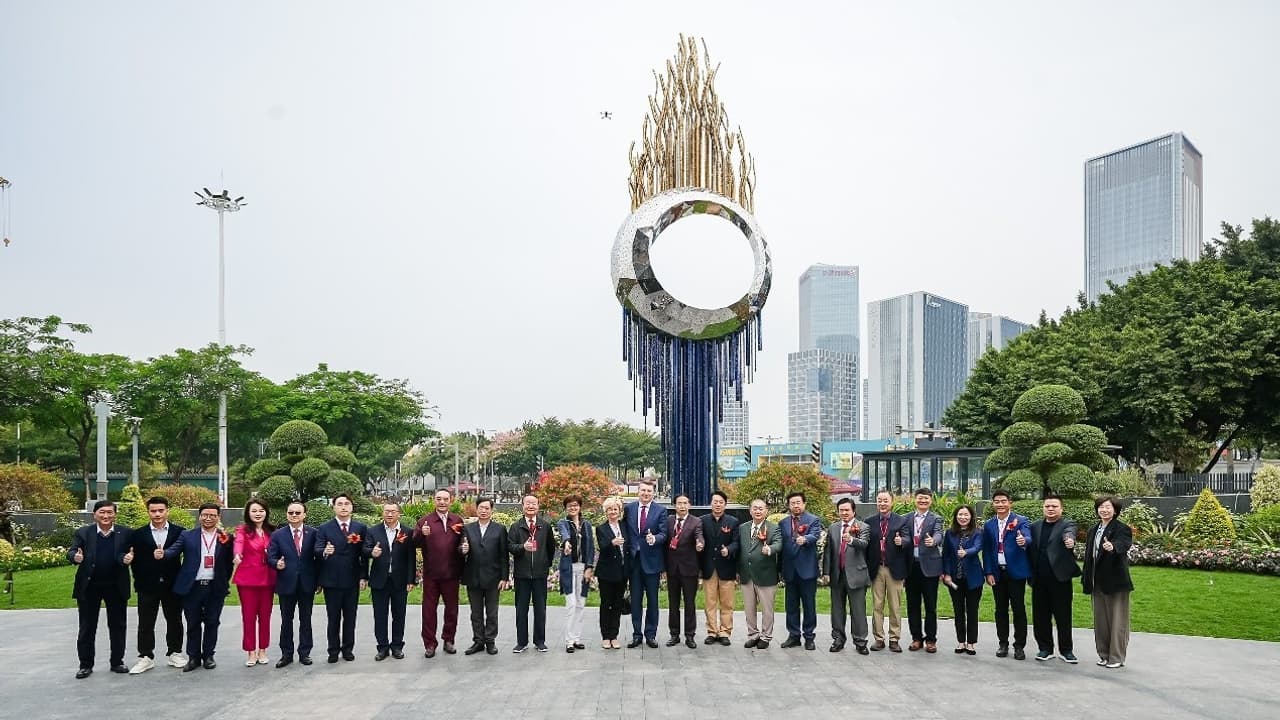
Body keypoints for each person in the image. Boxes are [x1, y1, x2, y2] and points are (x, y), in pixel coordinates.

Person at [68, 499, 134, 678]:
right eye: (102, 512)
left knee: (118, 626)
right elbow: (72, 551)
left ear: (115, 514)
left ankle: (117, 661)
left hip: (116, 586)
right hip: (90, 587)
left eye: (109, 512)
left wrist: (126, 558)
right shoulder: (84, 532)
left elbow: (127, 552)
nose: (106, 516)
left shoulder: (125, 533)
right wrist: (75, 557)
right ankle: (85, 664)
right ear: (94, 515)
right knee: (87, 627)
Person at [167, 502, 235, 671]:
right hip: (193, 587)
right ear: (199, 516)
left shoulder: (225, 537)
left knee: (212, 622)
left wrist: (223, 581)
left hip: (215, 587)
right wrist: (163, 553)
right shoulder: (187, 535)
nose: (208, 518)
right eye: (205, 514)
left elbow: (228, 564)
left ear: (218, 517)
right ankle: (193, 657)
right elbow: (174, 551)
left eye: (212, 515)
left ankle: (209, 656)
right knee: (193, 623)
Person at [127, 495, 186, 673]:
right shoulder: (138, 534)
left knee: (175, 620)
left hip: (172, 585)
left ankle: (174, 653)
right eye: (153, 511)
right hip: (147, 585)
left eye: (161, 510)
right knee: (145, 622)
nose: (157, 514)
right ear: (148, 512)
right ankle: (145, 656)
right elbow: (134, 560)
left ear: (167, 510)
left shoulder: (179, 532)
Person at [314, 494, 367, 663]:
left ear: (352, 507)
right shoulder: (324, 528)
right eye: (340, 504)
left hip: (352, 579)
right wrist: (325, 551)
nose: (343, 507)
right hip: (332, 579)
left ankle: (348, 648)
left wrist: (363, 576)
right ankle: (333, 650)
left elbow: (364, 554)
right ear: (334, 507)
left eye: (346, 504)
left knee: (350, 617)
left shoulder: (360, 528)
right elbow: (317, 548)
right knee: (333, 617)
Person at [1083, 495, 1133, 669]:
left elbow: (1124, 543)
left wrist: (1113, 547)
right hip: (1097, 581)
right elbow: (1089, 557)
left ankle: (1116, 657)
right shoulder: (1093, 530)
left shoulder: (1121, 528)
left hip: (1116, 582)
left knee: (1117, 621)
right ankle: (1103, 654)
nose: (1104, 510)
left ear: (1115, 510)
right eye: (1101, 507)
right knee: (1101, 621)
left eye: (1108, 507)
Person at [1030, 493, 1081, 663]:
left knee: (1063, 616)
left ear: (1061, 508)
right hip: (1038, 579)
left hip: (1060, 579)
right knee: (1040, 616)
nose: (1050, 509)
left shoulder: (1067, 524)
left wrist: (1070, 540)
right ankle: (1045, 648)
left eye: (1054, 506)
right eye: (1047, 506)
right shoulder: (1035, 526)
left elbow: (1070, 533)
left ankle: (1066, 650)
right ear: (1043, 508)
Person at [266, 501, 318, 667]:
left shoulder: (313, 533)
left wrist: (318, 581)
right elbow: (271, 556)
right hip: (286, 583)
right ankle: (286, 654)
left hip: (307, 583)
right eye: (291, 513)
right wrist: (276, 563)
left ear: (304, 515)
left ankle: (305, 653)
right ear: (287, 514)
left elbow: (318, 559)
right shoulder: (278, 535)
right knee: (286, 620)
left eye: (297, 513)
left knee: (306, 619)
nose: (294, 515)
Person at [982, 488, 1032, 660]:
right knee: (1000, 609)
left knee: (1018, 609)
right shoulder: (989, 525)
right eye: (997, 501)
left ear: (1010, 502)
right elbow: (987, 550)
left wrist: (1023, 540)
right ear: (993, 503)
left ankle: (1019, 646)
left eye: (1004, 501)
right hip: (997, 572)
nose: (1000, 504)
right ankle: (1003, 643)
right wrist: (988, 572)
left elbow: (1027, 537)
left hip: (1016, 573)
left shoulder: (1021, 521)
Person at [414, 488, 464, 658]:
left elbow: (462, 543)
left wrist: (463, 549)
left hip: (451, 573)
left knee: (452, 609)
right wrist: (422, 534)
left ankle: (449, 639)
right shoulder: (424, 522)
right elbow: (414, 543)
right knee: (428, 610)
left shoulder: (457, 520)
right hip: (431, 574)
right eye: (439, 499)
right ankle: (429, 643)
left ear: (451, 500)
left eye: (445, 499)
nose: (442, 502)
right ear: (433, 500)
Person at [364, 502, 415, 661]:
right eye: (387, 511)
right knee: (380, 615)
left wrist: (411, 579)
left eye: (393, 511)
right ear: (382, 513)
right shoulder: (373, 531)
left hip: (399, 580)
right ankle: (382, 647)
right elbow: (364, 550)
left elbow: (411, 558)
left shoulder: (407, 531)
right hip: (380, 580)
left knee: (399, 615)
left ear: (399, 513)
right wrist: (372, 552)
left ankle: (397, 646)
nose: (390, 514)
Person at [460, 497, 509, 655]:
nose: (484, 510)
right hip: (473, 575)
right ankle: (478, 641)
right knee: (476, 612)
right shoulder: (468, 528)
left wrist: (504, 577)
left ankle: (490, 641)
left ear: (491, 510)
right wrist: (463, 550)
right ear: (476, 509)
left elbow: (504, 555)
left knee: (492, 612)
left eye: (487, 508)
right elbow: (460, 550)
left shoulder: (499, 529)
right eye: (481, 507)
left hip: (493, 577)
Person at [821, 497, 870, 654]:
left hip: (856, 574)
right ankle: (838, 639)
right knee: (837, 610)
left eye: (847, 510)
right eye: (841, 510)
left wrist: (851, 540)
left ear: (853, 511)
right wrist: (826, 572)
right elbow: (828, 552)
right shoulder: (834, 528)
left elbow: (864, 544)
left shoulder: (863, 527)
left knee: (858, 610)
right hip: (837, 575)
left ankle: (860, 641)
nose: (844, 513)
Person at [232, 498, 277, 667]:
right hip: (248, 580)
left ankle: (263, 650)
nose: (258, 514)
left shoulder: (272, 531)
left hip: (268, 580)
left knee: (265, 617)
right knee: (249, 617)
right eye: (254, 511)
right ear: (248, 513)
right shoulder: (243, 530)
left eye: (261, 511)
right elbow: (238, 544)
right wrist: (237, 555)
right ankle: (250, 652)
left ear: (266, 512)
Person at [624, 478, 667, 648]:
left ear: (653, 493)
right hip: (634, 562)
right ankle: (636, 634)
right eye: (643, 490)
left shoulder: (660, 511)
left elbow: (664, 534)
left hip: (652, 562)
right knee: (635, 601)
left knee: (653, 601)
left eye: (649, 491)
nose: (646, 494)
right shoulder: (629, 509)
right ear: (638, 491)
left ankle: (650, 634)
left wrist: (654, 538)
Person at [508, 494, 554, 653]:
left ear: (538, 506)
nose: (530, 506)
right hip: (522, 575)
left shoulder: (545, 526)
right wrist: (522, 547)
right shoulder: (516, 526)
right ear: (522, 506)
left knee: (540, 609)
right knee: (521, 609)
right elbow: (510, 547)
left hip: (540, 575)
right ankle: (521, 642)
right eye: (527, 503)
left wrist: (544, 566)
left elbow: (550, 548)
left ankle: (540, 641)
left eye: (533, 503)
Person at [866, 490, 910, 652]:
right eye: (879, 500)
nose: (882, 504)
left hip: (895, 569)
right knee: (877, 605)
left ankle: (894, 638)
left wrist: (902, 541)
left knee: (895, 606)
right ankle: (878, 638)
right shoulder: (869, 521)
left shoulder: (901, 521)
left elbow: (908, 539)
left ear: (892, 502)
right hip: (876, 568)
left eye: (885, 501)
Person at [779, 491, 822, 650]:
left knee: (809, 605)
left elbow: (815, 535)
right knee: (791, 605)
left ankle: (809, 637)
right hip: (790, 570)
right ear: (789, 505)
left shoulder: (813, 520)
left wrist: (805, 539)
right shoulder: (783, 523)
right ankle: (793, 635)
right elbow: (782, 545)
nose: (796, 505)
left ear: (804, 504)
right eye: (792, 503)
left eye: (798, 502)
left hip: (807, 571)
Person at [904, 488, 945, 653]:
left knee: (930, 606)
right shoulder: (906, 518)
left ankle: (930, 640)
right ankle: (916, 638)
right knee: (912, 605)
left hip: (929, 567)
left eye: (926, 499)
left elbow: (939, 534)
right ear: (915, 500)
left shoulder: (936, 518)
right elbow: (905, 536)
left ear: (931, 500)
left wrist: (933, 541)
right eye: (920, 498)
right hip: (911, 567)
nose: (923, 501)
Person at [738, 499, 781, 650]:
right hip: (746, 574)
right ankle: (753, 634)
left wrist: (770, 549)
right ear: (750, 511)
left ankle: (766, 636)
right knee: (749, 608)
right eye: (755, 508)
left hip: (765, 575)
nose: (757, 511)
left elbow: (778, 543)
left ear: (766, 511)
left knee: (767, 608)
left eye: (761, 508)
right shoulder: (743, 528)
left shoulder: (773, 528)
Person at [940, 505, 983, 655]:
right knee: (958, 611)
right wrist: (946, 573)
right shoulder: (950, 533)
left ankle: (971, 643)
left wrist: (966, 552)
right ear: (956, 516)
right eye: (960, 514)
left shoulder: (977, 532)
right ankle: (961, 641)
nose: (963, 517)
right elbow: (945, 555)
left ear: (971, 517)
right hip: (955, 578)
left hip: (973, 578)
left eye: (966, 515)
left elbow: (978, 547)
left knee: (972, 611)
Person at [664, 494, 703, 648]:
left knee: (689, 603)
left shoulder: (696, 522)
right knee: (673, 604)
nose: (682, 506)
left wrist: (700, 544)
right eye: (679, 503)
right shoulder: (668, 521)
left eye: (685, 503)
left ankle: (689, 635)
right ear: (675, 505)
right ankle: (674, 634)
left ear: (689, 505)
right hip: (672, 569)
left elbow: (699, 536)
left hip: (689, 569)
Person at [699, 489, 738, 646]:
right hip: (709, 567)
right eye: (715, 502)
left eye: (721, 502)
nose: (718, 505)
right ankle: (712, 631)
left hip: (726, 567)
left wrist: (728, 550)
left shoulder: (733, 521)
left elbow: (736, 542)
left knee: (727, 602)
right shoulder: (701, 521)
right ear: (711, 503)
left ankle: (724, 632)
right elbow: (699, 538)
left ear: (725, 505)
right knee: (710, 602)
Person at [556, 496, 594, 652]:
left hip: (583, 567)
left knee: (581, 604)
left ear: (580, 507)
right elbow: (564, 533)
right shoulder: (563, 523)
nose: (573, 508)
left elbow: (591, 547)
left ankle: (577, 638)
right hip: (568, 568)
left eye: (575, 505)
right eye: (569, 506)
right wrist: (566, 542)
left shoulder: (586, 525)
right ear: (566, 508)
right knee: (571, 604)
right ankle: (569, 641)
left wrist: (589, 567)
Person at [594, 496, 629, 649]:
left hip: (622, 571)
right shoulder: (601, 528)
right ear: (606, 512)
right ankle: (605, 636)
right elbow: (602, 546)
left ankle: (614, 635)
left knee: (617, 604)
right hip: (606, 572)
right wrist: (612, 543)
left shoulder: (624, 525)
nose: (613, 512)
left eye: (615, 509)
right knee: (606, 603)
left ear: (619, 511)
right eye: (609, 509)